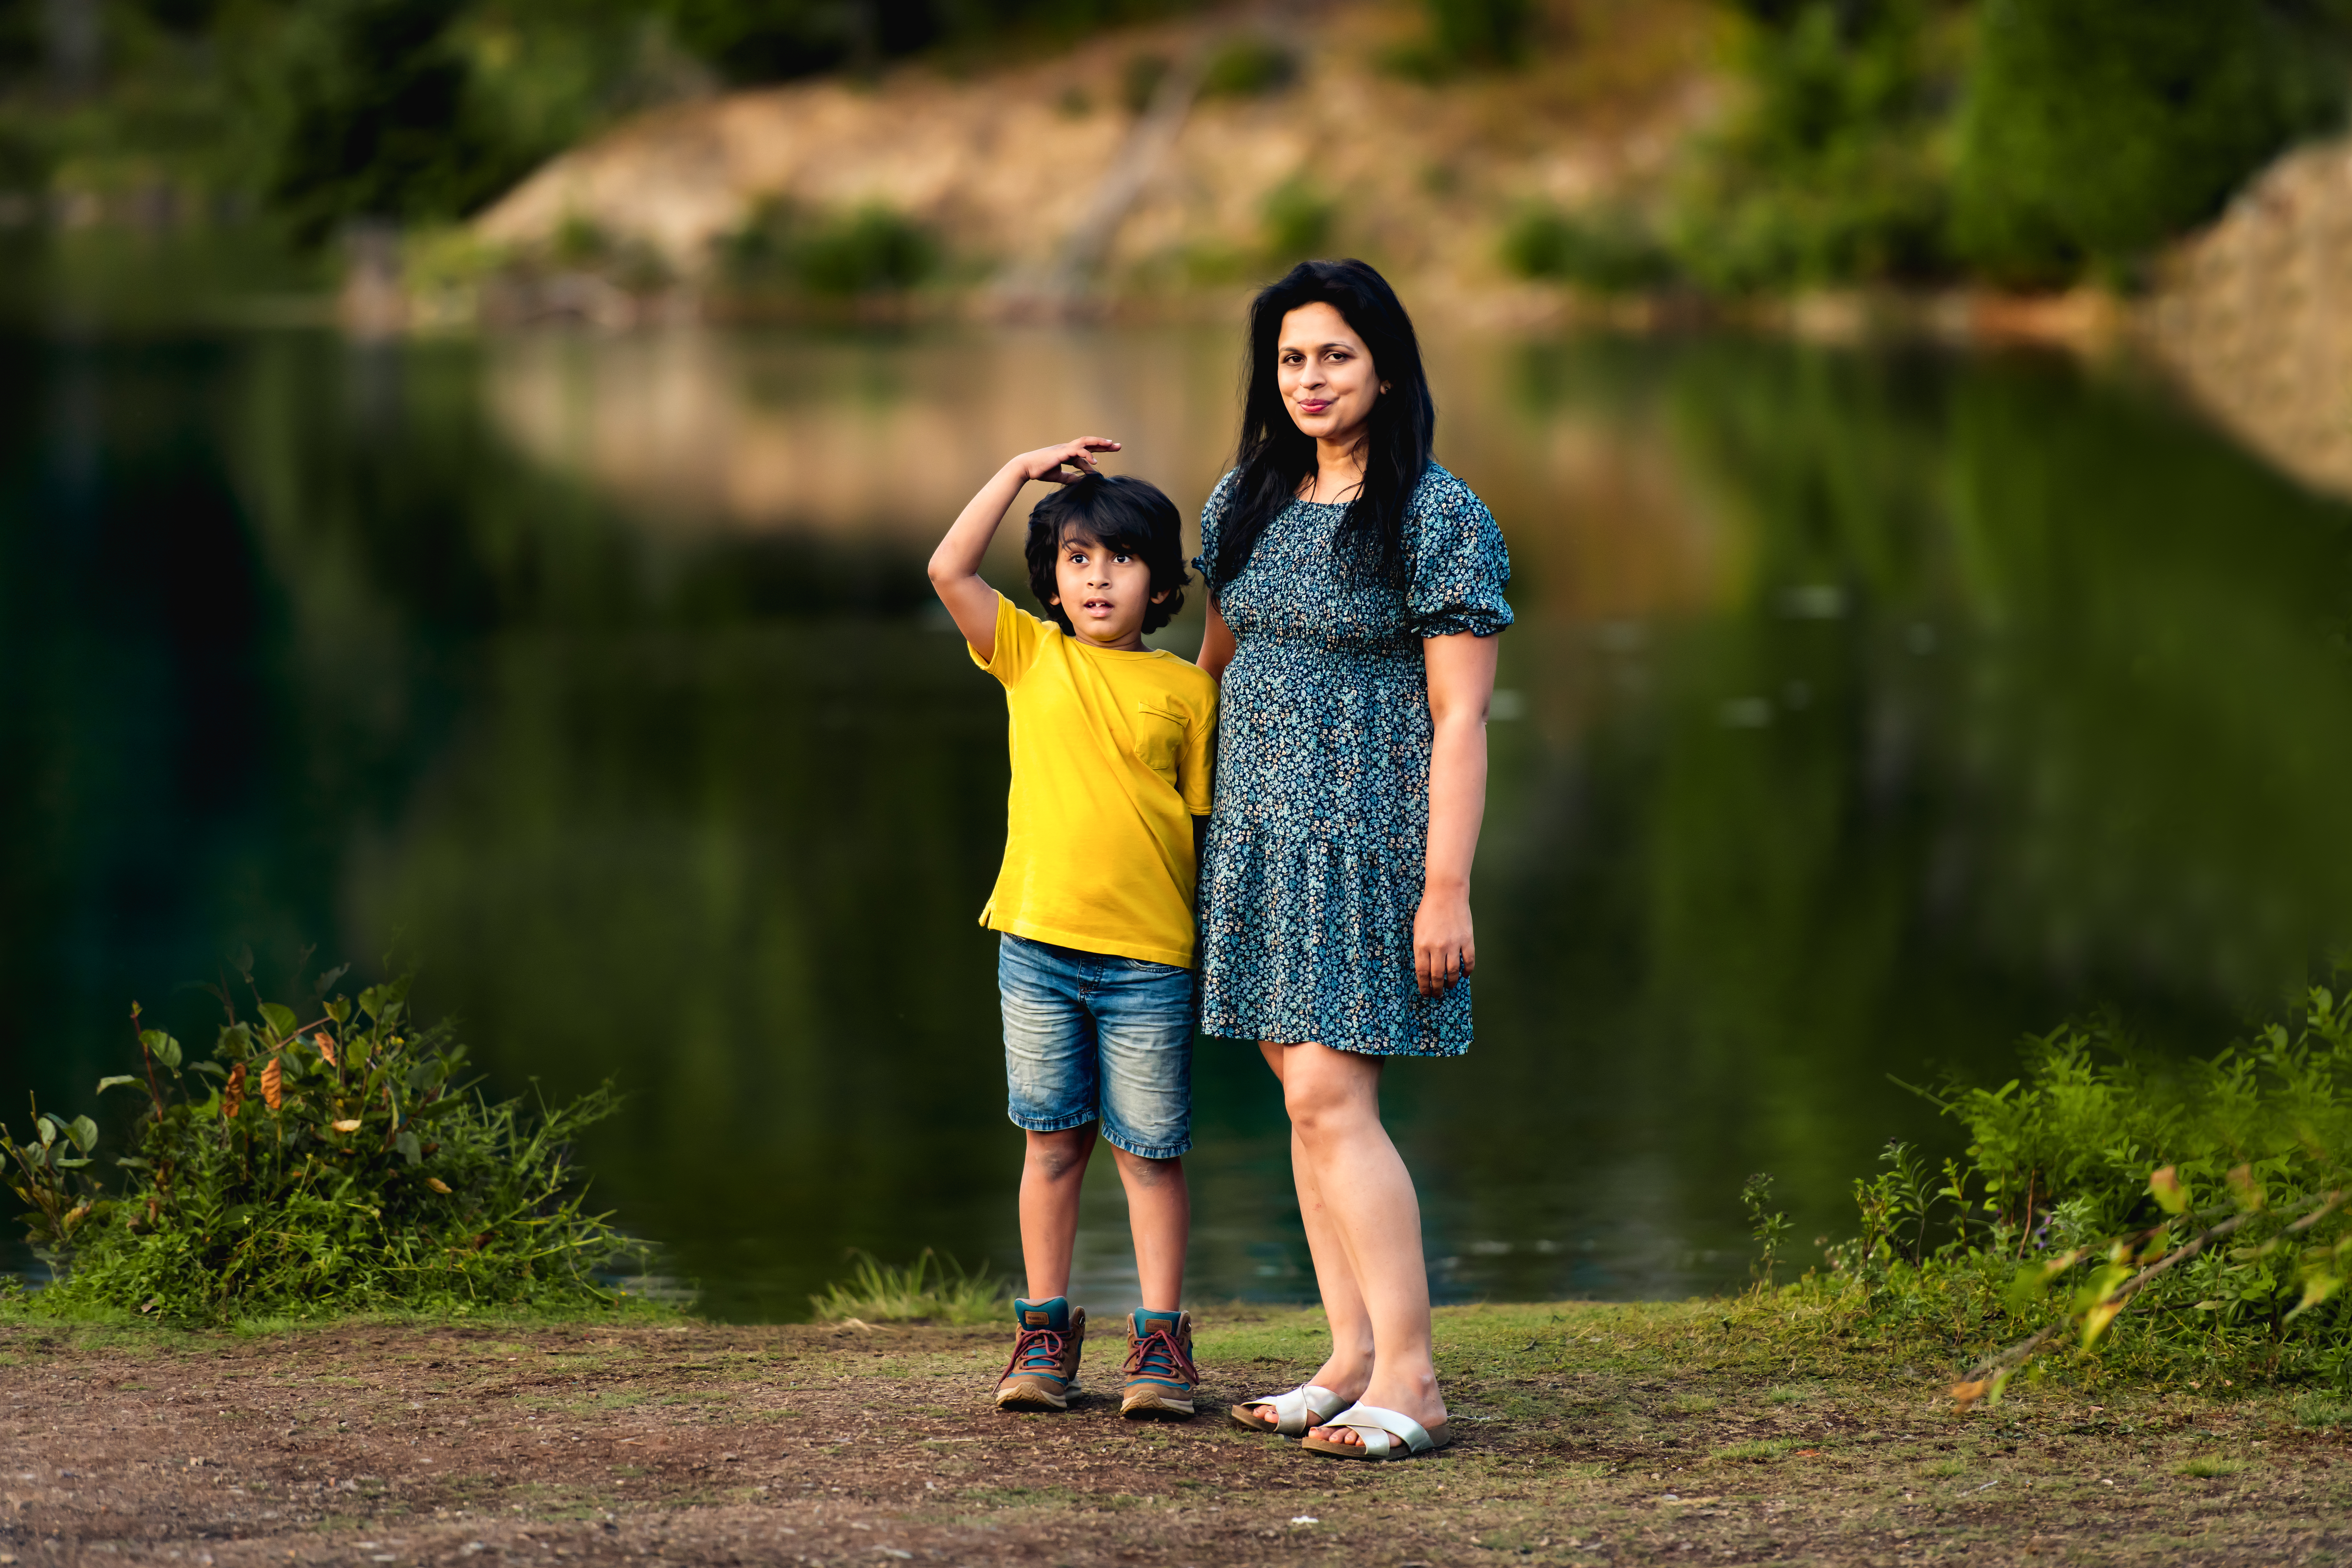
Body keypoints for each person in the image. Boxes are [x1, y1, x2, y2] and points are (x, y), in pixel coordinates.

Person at [1195, 260, 1512, 1461]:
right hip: (1259, 840)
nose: (1310, 379)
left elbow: (1462, 717)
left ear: (1385, 365)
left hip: (1369, 841)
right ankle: (1349, 1353)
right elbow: (1215, 665)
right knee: (1302, 1099)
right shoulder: (1246, 499)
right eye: (1290, 358)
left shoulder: (1436, 513)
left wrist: (1446, 884)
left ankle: (1416, 1376)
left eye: (1332, 355)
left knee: (1335, 1094)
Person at [927, 439, 1220, 1420]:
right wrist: (1013, 473)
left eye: (1123, 559)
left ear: (1161, 583)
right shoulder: (1027, 655)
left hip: (1149, 961)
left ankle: (1162, 1348)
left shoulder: (1188, 692)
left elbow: (1203, 829)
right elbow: (946, 569)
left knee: (1150, 1153)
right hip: (1038, 948)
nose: (1099, 577)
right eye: (1078, 559)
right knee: (1051, 1145)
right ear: (1052, 579)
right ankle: (1044, 1336)